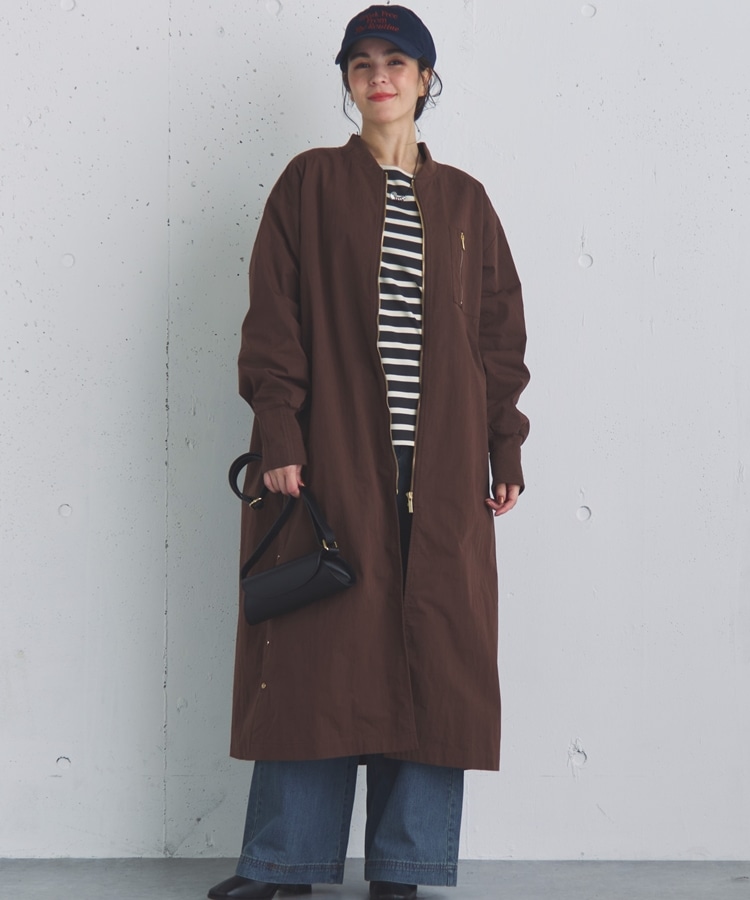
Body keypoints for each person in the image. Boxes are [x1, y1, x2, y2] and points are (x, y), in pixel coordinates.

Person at [208, 6, 529, 900]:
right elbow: (274, 318)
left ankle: (407, 865)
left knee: (437, 657)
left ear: (426, 80)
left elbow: (499, 339)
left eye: (396, 62)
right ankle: (283, 862)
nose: (378, 76)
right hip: (332, 461)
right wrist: (280, 430)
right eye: (361, 63)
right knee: (315, 654)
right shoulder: (309, 183)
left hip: (442, 472)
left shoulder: (466, 202)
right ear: (349, 83)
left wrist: (504, 446)